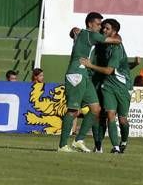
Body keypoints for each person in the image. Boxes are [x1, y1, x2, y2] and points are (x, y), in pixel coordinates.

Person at [59, 11, 122, 153]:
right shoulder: (91, 34)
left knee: (96, 109)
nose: (100, 27)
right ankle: (62, 145)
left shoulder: (82, 33)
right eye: (98, 24)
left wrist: (73, 31)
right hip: (76, 74)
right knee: (73, 110)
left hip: (84, 75)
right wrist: (117, 37)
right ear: (89, 24)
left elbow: (73, 33)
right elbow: (115, 40)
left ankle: (79, 140)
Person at [79, 18, 137, 154]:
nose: (103, 30)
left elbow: (111, 69)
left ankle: (123, 142)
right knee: (103, 114)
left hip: (122, 86)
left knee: (122, 119)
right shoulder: (100, 40)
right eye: (102, 27)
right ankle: (105, 146)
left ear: (114, 32)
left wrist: (90, 65)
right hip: (105, 84)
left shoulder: (116, 47)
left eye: (107, 28)